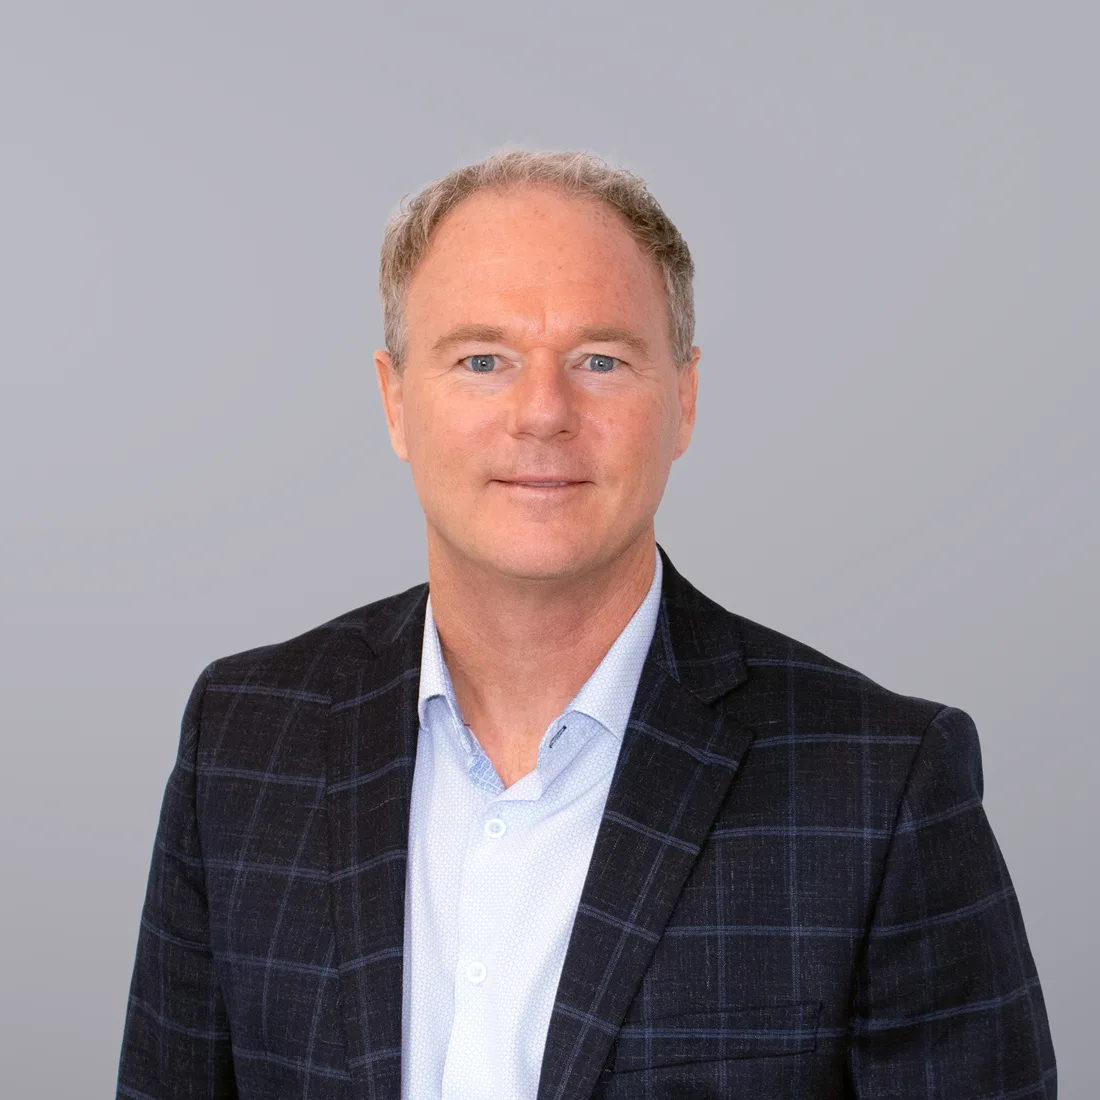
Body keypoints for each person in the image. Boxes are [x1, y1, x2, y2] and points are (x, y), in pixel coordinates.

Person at [117, 150, 1056, 1100]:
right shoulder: (243, 740)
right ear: (395, 400)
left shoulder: (880, 785)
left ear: (684, 400)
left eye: (600, 361)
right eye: (483, 360)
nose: (543, 413)